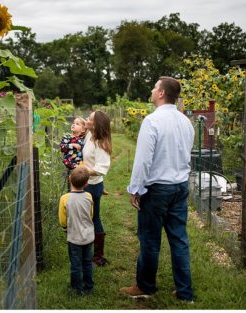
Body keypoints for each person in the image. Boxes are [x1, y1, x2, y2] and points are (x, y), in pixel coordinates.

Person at [121, 76, 195, 303]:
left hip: (157, 189)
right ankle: (185, 293)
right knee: (179, 239)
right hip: (180, 186)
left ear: (161, 93)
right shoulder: (186, 121)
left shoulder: (152, 121)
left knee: (150, 240)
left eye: (154, 87)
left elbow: (143, 160)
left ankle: (145, 286)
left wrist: (136, 188)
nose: (152, 90)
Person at [81, 110, 112, 266]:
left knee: (94, 218)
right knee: (87, 218)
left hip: (92, 186)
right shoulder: (89, 135)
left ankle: (98, 256)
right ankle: (86, 251)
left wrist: (82, 172)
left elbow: (101, 168)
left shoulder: (100, 143)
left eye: (89, 118)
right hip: (88, 183)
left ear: (96, 124)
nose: (87, 119)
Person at [59, 166, 95, 295]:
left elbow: (63, 220)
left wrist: (65, 227)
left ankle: (76, 289)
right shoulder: (89, 196)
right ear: (86, 184)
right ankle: (89, 286)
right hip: (89, 236)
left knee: (76, 264)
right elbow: (91, 214)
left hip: (74, 237)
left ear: (69, 179)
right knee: (87, 262)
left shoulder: (65, 198)